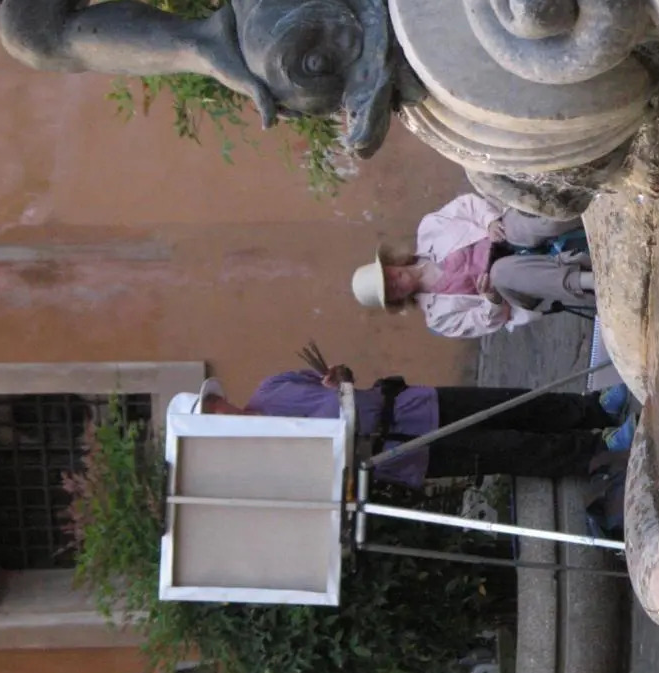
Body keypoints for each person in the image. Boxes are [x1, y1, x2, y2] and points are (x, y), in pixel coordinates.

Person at [190, 366, 632, 490]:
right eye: (213, 419)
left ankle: (591, 409)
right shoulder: (268, 460)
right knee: (504, 448)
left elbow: (340, 377)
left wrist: (338, 376)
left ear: (219, 399)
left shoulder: (272, 386)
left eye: (214, 406)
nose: (222, 413)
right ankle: (595, 452)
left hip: (408, 404)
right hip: (402, 451)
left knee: (507, 402)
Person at [351, 193, 595, 338]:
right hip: (513, 289)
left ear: (389, 265)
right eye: (391, 291)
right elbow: (487, 322)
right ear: (395, 301)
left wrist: (489, 222)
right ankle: (590, 282)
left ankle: (593, 207)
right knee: (500, 273)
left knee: (521, 227)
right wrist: (491, 300)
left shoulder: (429, 229)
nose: (394, 283)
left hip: (502, 236)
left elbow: (468, 205)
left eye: (388, 277)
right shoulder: (439, 318)